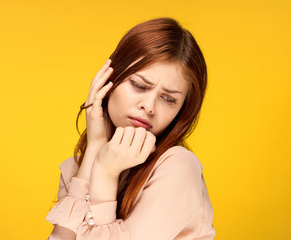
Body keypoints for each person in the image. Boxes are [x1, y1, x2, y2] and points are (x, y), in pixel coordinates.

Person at [45, 17, 216, 240]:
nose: (149, 106)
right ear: (110, 79)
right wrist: (95, 150)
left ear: (182, 110)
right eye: (139, 85)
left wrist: (106, 174)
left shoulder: (178, 167)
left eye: (168, 98)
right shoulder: (77, 169)